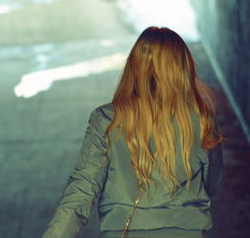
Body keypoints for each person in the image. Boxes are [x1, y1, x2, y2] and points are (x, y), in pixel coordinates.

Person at [41, 26, 226, 238]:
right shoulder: (201, 118)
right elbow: (213, 182)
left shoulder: (108, 120)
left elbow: (82, 191)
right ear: (183, 68)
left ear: (134, 67)